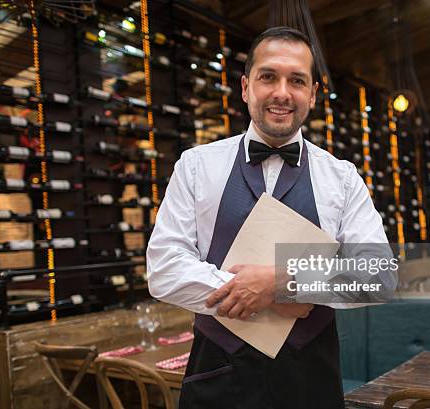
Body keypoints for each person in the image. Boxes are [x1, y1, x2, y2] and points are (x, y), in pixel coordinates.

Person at [147, 26, 391, 409]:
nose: (281, 92)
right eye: (268, 77)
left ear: (312, 94)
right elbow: (164, 268)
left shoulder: (342, 178)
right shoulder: (196, 167)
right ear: (246, 87)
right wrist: (256, 290)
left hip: (311, 379)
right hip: (217, 375)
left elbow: (378, 273)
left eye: (296, 80)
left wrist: (286, 281)